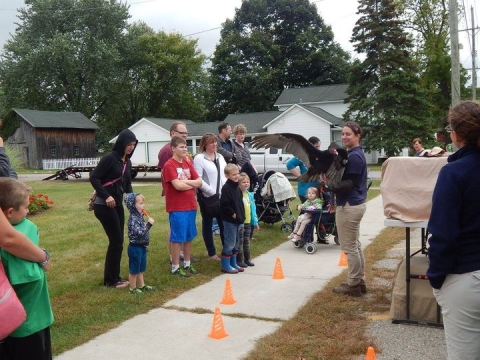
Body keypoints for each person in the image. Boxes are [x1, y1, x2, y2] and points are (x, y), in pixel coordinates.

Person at [426, 101, 480, 359]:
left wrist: (437, 279)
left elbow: (443, 235)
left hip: (466, 276)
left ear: (456, 135)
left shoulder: (454, 172)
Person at [0, 178, 54, 360]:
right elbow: (28, 277)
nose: (28, 210)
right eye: (25, 207)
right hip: (28, 323)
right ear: (9, 212)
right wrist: (42, 258)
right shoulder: (24, 230)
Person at [90, 128, 138, 288]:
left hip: (116, 205)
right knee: (116, 240)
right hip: (103, 205)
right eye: (128, 144)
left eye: (133, 144)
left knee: (119, 241)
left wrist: (133, 200)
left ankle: (114, 277)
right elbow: (94, 178)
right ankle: (111, 280)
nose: (131, 147)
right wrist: (106, 195)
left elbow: (127, 183)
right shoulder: (109, 158)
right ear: (121, 144)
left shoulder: (127, 162)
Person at [330, 122, 368, 297]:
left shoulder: (354, 157)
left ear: (357, 136)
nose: (344, 137)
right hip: (353, 204)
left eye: (348, 134)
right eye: (343, 134)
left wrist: (330, 186)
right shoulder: (353, 154)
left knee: (350, 247)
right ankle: (360, 281)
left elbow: (348, 184)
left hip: (350, 206)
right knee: (355, 245)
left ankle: (353, 285)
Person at [162, 136, 202, 277]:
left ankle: (187, 263)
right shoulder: (169, 165)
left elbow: (199, 182)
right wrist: (190, 183)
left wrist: (187, 182)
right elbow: (177, 186)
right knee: (177, 237)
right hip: (177, 207)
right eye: (181, 147)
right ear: (173, 148)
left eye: (186, 147)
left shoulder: (187, 163)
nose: (185, 149)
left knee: (188, 236)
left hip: (191, 205)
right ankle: (175, 267)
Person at [157, 121, 195, 264]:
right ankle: (174, 257)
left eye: (186, 133)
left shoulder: (184, 150)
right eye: (181, 133)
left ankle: (183, 255)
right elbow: (165, 174)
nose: (185, 135)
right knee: (175, 227)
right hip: (174, 195)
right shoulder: (167, 151)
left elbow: (191, 173)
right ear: (173, 133)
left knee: (185, 227)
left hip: (187, 194)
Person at [193, 133, 227, 261]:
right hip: (208, 197)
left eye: (215, 142)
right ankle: (211, 252)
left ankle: (226, 250)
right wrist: (211, 191)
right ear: (205, 144)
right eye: (211, 142)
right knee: (207, 223)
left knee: (223, 224)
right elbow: (199, 179)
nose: (214, 144)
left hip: (222, 196)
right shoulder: (199, 159)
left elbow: (224, 175)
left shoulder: (220, 157)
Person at [125, 193, 154, 294]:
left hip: (142, 247)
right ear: (133, 206)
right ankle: (132, 288)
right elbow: (140, 233)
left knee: (141, 268)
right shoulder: (133, 219)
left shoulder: (140, 216)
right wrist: (149, 225)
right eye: (141, 203)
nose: (143, 205)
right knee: (134, 269)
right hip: (135, 248)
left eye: (143, 203)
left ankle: (142, 285)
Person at [220, 164, 245, 274]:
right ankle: (225, 265)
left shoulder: (237, 188)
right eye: (233, 175)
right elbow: (224, 204)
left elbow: (240, 202)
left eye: (237, 174)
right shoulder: (226, 188)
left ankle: (233, 263)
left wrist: (241, 215)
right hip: (230, 221)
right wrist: (233, 214)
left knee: (236, 243)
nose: (236, 176)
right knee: (229, 243)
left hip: (238, 220)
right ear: (227, 176)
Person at [286, 136, 321, 203]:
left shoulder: (318, 156)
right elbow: (289, 164)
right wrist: (300, 177)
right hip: (305, 191)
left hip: (315, 190)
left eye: (319, 147)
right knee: (306, 209)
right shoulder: (304, 155)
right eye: (316, 147)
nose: (318, 149)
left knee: (315, 209)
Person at [237, 172, 259, 267]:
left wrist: (255, 222)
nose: (246, 184)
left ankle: (247, 259)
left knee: (247, 240)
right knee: (240, 241)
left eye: (247, 182)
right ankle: (239, 260)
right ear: (238, 184)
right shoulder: (238, 195)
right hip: (241, 222)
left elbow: (253, 209)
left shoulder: (249, 195)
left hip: (248, 222)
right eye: (243, 182)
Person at [232, 124, 258, 191]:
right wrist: (237, 166)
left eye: (243, 134)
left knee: (250, 166)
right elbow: (233, 159)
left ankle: (256, 186)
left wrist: (255, 169)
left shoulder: (245, 145)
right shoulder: (233, 145)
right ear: (235, 135)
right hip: (241, 169)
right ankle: (257, 183)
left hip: (249, 170)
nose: (242, 136)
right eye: (240, 134)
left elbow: (249, 159)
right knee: (247, 165)